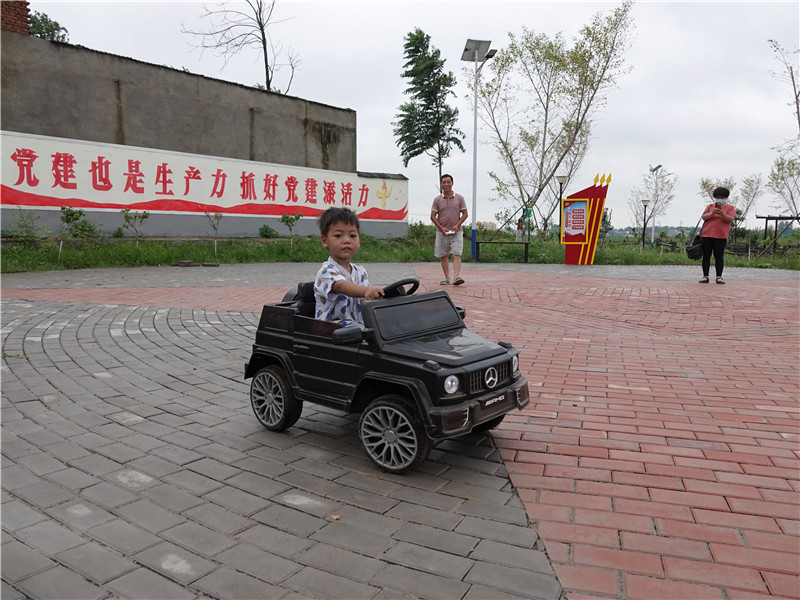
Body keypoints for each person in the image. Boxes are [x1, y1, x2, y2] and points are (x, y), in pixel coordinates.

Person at [314, 207, 384, 327]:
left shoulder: (360, 271)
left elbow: (364, 299)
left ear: (359, 240)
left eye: (352, 235)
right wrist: (366, 291)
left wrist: (375, 295)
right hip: (331, 327)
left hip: (356, 324)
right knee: (364, 332)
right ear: (325, 241)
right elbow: (341, 286)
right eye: (338, 235)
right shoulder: (326, 271)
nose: (347, 240)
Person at [430, 173, 468, 286]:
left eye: (448, 182)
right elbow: (432, 216)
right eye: (444, 182)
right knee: (444, 255)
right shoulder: (437, 200)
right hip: (442, 233)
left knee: (457, 254)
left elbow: (465, 214)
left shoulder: (459, 198)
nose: (446, 184)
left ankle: (456, 278)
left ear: (452, 183)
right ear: (441, 184)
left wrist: (457, 224)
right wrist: (441, 228)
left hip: (457, 232)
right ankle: (447, 278)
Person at [699, 186, 737, 284]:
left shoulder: (730, 208)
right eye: (717, 197)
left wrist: (722, 213)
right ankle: (705, 276)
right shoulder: (710, 206)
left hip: (721, 236)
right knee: (706, 256)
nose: (719, 199)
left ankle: (719, 277)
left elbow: (730, 219)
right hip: (706, 235)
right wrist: (712, 213)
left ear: (726, 197)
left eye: (722, 197)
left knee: (719, 256)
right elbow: (704, 217)